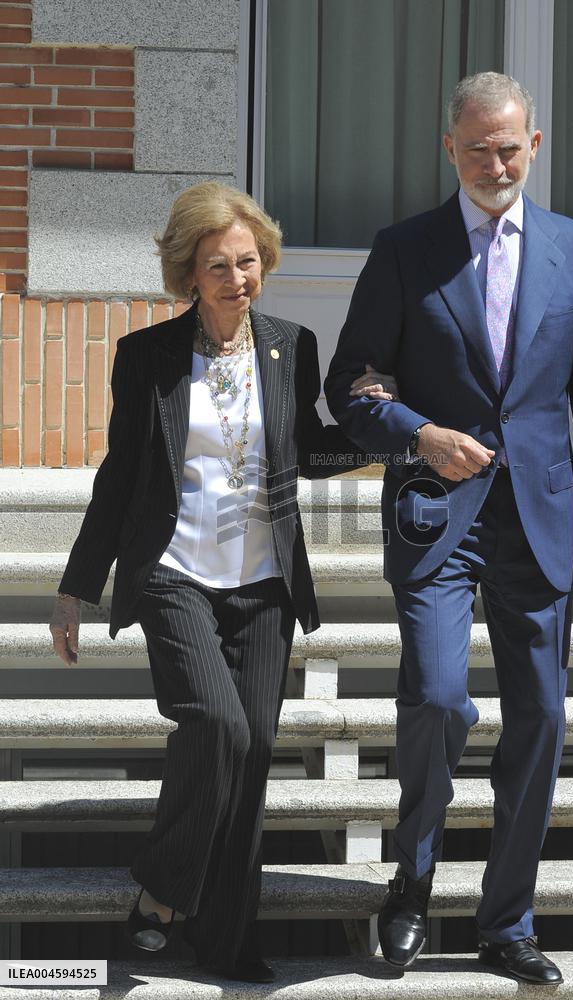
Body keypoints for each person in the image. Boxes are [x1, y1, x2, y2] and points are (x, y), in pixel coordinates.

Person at [325, 72, 573, 986]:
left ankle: (508, 924)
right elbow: (351, 385)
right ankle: (411, 888)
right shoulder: (403, 250)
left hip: (538, 520)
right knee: (435, 696)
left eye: (509, 147)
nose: (494, 163)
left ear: (533, 146)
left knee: (539, 721)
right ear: (449, 150)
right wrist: (418, 432)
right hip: (436, 515)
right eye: (476, 148)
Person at [49, 181, 397, 983]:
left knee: (257, 751)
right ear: (188, 274)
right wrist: (77, 586)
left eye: (248, 262)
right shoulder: (148, 357)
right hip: (174, 573)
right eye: (217, 266)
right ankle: (164, 891)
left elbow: (305, 449)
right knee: (220, 728)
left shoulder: (290, 344)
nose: (238, 279)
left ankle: (226, 940)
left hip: (264, 582)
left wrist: (375, 433)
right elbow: (122, 473)